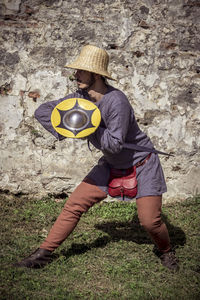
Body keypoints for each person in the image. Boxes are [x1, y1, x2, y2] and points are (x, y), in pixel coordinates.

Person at [14, 45, 179, 271]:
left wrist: (86, 124)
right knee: (74, 205)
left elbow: (113, 144)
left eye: (81, 71)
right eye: (77, 71)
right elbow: (43, 112)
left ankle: (167, 252)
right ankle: (42, 255)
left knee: (150, 221)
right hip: (111, 164)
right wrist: (71, 126)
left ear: (96, 74)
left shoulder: (116, 101)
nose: (76, 75)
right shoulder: (80, 97)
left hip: (141, 163)